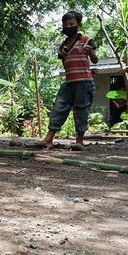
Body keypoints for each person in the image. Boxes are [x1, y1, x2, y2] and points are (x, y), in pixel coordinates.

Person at [39, 10, 98, 150]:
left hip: (84, 82)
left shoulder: (86, 40)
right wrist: (65, 55)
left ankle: (79, 140)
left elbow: (95, 60)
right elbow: (65, 64)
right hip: (69, 82)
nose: (68, 26)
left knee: (81, 110)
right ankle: (48, 139)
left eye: (71, 24)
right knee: (59, 108)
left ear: (79, 25)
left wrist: (90, 53)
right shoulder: (62, 46)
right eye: (65, 24)